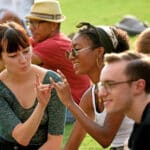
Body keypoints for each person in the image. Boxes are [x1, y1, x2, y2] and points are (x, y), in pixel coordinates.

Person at [50, 22, 134, 150]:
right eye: (69, 52)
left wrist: (70, 103)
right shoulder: (90, 96)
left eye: (76, 50)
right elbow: (71, 147)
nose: (71, 57)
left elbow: (105, 138)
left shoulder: (120, 85)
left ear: (99, 52)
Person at [0, 21, 66, 150]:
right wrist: (41, 106)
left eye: (26, 51)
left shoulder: (52, 81)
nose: (23, 60)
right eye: (13, 56)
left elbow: (55, 142)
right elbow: (22, 138)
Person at [25, 0, 90, 123]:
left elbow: (14, 62)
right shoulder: (46, 40)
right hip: (68, 103)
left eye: (36, 23)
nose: (31, 28)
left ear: (53, 25)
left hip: (72, 108)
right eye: (30, 23)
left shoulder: (53, 45)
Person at [98, 51, 150, 150]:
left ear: (139, 86)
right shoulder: (140, 123)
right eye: (102, 85)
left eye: (110, 84)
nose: (102, 93)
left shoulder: (146, 131)